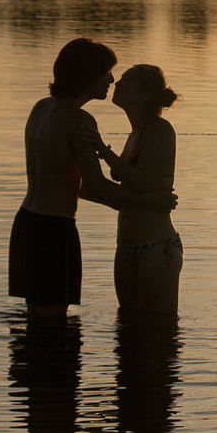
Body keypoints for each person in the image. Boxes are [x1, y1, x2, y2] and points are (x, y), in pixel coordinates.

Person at [9, 39, 175, 318]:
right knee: (53, 325)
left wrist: (126, 203)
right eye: (107, 72)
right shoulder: (79, 120)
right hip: (54, 230)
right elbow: (96, 185)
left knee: (38, 321)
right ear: (87, 75)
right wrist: (150, 201)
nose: (111, 79)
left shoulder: (41, 108)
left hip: (27, 223)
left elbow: (74, 185)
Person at [92, 64, 182, 316]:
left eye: (126, 81)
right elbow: (137, 191)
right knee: (129, 328)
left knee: (161, 329)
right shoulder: (135, 133)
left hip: (156, 247)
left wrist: (103, 150)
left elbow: (146, 183)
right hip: (127, 246)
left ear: (144, 95)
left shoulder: (160, 130)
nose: (117, 84)